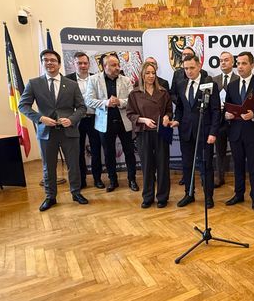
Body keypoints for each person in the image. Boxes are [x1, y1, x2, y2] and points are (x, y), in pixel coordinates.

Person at [19, 49, 88, 211]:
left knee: (74, 164)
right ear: (42, 63)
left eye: (53, 60)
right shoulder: (34, 83)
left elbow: (81, 107)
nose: (49, 62)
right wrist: (40, 118)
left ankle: (76, 192)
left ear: (59, 64)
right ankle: (50, 197)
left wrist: (71, 119)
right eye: (46, 60)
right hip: (46, 132)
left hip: (69, 131)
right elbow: (23, 105)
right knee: (48, 166)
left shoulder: (71, 84)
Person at [85, 53, 138, 193]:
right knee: (109, 154)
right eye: (113, 65)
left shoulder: (126, 80)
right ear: (104, 66)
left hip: (124, 122)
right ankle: (113, 180)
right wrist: (106, 103)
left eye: (118, 65)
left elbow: (132, 99)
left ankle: (132, 179)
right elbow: (88, 100)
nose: (117, 68)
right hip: (105, 123)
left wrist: (120, 102)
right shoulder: (93, 80)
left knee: (129, 152)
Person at [224, 51, 254, 210]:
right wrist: (227, 114)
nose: (240, 66)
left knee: (253, 167)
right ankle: (239, 194)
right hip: (236, 133)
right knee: (237, 166)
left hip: (253, 132)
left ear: (252, 65)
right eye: (238, 63)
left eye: (244, 63)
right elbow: (227, 107)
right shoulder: (231, 85)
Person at [173, 55, 221, 208]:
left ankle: (208, 196)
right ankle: (189, 194)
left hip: (205, 132)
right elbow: (180, 108)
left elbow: (216, 111)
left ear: (199, 66)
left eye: (192, 68)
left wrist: (213, 132)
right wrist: (177, 120)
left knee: (206, 165)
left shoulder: (209, 84)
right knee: (187, 165)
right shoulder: (181, 84)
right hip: (186, 132)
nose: (189, 71)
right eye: (186, 68)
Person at [126, 61, 173, 208]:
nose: (151, 76)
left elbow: (169, 110)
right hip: (144, 133)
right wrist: (143, 120)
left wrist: (167, 117)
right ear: (142, 75)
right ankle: (147, 197)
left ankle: (163, 197)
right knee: (147, 166)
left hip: (161, 133)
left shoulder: (163, 92)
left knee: (163, 165)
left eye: (153, 73)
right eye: (148, 73)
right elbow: (130, 114)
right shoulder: (135, 94)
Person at [65, 52, 104, 190]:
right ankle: (81, 179)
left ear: (89, 64)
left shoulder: (97, 78)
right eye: (79, 63)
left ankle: (97, 179)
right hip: (76, 120)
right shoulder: (67, 80)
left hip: (94, 118)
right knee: (78, 151)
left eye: (85, 63)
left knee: (96, 150)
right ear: (74, 64)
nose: (82, 65)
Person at [212, 51, 238, 188]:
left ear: (233, 62)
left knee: (237, 151)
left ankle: (238, 177)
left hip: (235, 121)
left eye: (226, 60)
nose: (223, 62)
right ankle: (219, 176)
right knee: (219, 151)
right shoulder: (213, 80)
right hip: (219, 121)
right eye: (221, 60)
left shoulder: (239, 79)